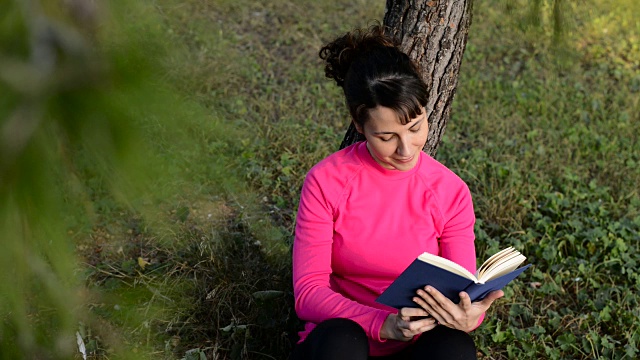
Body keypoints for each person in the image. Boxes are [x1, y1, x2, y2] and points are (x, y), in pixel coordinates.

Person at [290, 25, 504, 360]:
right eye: (387, 137)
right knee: (341, 343)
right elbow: (308, 293)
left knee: (455, 349)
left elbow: (463, 285)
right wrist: (384, 324)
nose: (406, 149)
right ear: (359, 126)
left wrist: (469, 315)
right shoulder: (326, 182)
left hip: (416, 340)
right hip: (346, 337)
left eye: (415, 127)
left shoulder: (450, 191)